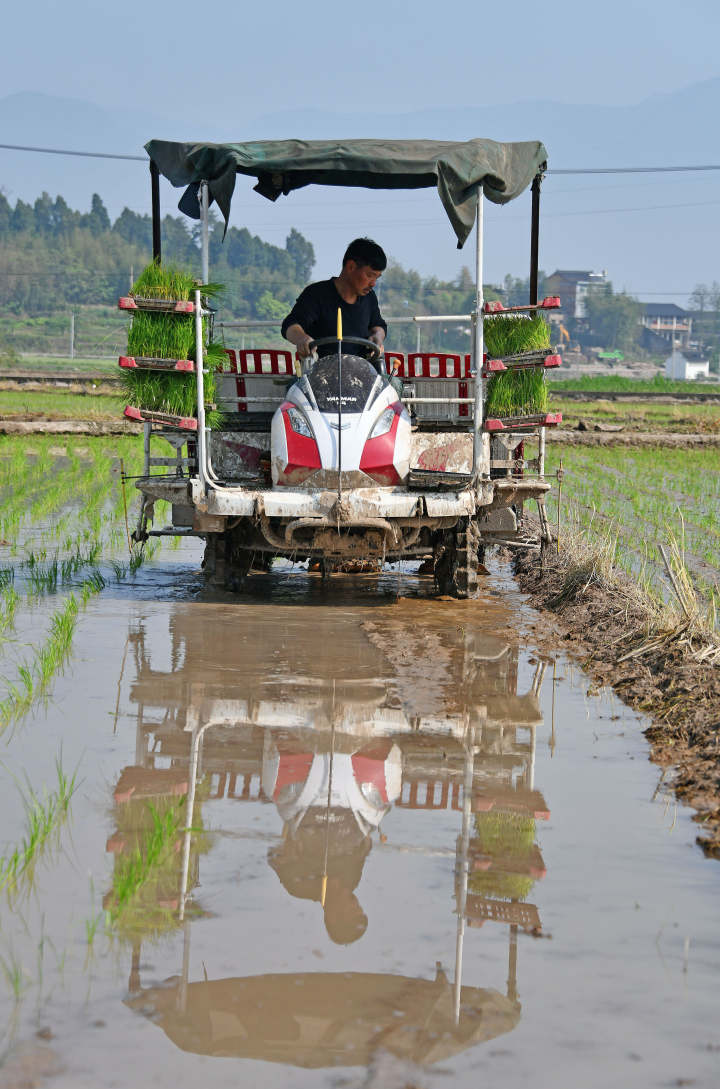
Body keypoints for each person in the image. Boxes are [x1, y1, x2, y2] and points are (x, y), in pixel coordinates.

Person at [282, 237, 388, 360]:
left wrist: (378, 336)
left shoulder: (369, 298)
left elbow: (378, 325)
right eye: (369, 275)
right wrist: (302, 339)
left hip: (361, 373)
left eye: (377, 278)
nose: (373, 283)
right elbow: (290, 325)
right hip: (319, 373)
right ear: (351, 267)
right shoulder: (317, 294)